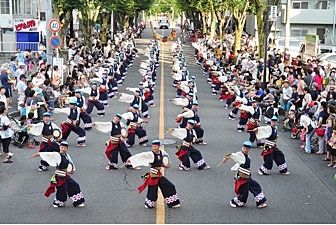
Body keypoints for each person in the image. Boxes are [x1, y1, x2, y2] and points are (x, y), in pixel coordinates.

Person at [127, 140, 181, 209]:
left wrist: (165, 165)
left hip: (159, 174)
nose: (154, 148)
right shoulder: (151, 154)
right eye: (153, 146)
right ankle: (149, 204)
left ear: (159, 146)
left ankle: (173, 203)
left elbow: (167, 163)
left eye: (155, 146)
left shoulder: (163, 153)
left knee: (170, 186)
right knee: (152, 191)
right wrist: (131, 159)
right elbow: (141, 155)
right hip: (153, 175)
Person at [35, 141, 85, 208]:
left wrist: (72, 169)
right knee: (62, 190)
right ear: (59, 148)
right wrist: (40, 154)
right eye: (62, 147)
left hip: (66, 175)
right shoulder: (57, 155)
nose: (63, 149)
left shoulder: (67, 156)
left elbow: (71, 164)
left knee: (74, 185)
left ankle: (78, 201)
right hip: (59, 176)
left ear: (67, 149)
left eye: (65, 148)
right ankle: (58, 203)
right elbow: (48, 155)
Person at [220, 141, 267, 208]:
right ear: (242, 148)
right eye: (244, 148)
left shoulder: (247, 156)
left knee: (256, 186)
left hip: (247, 176)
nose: (245, 150)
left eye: (247, 149)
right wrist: (225, 158)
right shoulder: (240, 155)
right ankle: (234, 201)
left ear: (249, 149)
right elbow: (233, 155)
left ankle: (260, 202)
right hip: (242, 178)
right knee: (244, 192)